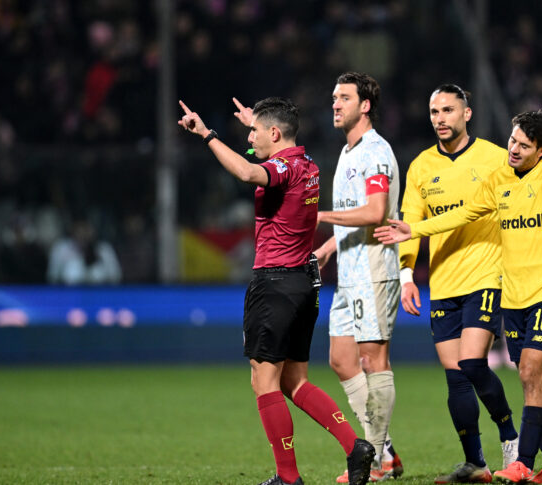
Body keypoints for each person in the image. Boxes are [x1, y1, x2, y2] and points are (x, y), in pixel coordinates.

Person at [375, 110, 542, 484]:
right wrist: (414, 229)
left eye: (523, 145)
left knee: (530, 371)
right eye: (512, 140)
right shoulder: (498, 179)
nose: (513, 148)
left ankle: (522, 462)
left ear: (541, 150)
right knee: (533, 382)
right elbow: (461, 215)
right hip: (512, 297)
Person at [177, 96, 375, 485]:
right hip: (303, 283)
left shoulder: (280, 167)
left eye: (255, 131)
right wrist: (257, 128)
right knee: (294, 381)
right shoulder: (308, 164)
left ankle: (288, 478)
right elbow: (265, 154)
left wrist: (207, 135)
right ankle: (355, 446)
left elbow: (251, 173)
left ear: (274, 133)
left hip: (275, 284)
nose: (249, 137)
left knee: (263, 380)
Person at [398, 84, 519, 484]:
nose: (440, 119)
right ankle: (476, 464)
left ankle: (510, 440)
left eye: (448, 110)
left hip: (486, 276)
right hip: (443, 282)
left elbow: (520, 207)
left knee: (471, 362)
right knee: (455, 376)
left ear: (466, 114)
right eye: (434, 112)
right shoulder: (420, 167)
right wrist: (407, 275)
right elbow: (411, 225)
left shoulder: (495, 158)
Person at [312, 72, 403, 482]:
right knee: (341, 360)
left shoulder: (374, 152)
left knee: (371, 360)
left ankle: (376, 461)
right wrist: (330, 245)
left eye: (344, 98)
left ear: (364, 106)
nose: (335, 104)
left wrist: (318, 217)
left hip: (373, 272)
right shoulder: (348, 153)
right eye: (334, 97)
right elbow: (355, 213)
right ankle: (384, 449)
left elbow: (375, 212)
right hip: (348, 273)